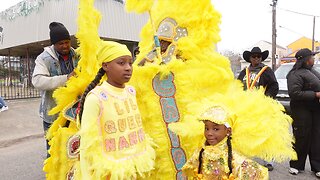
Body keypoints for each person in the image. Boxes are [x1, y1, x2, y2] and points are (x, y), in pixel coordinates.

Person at [76, 41, 155, 179]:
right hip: (110, 172)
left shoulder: (131, 92)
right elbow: (86, 147)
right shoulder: (96, 98)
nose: (128, 68)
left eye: (130, 63)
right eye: (121, 63)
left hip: (136, 169)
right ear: (105, 65)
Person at [182, 106, 268, 179]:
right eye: (207, 128)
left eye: (215, 129)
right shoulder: (200, 152)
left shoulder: (233, 157)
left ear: (228, 131)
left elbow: (252, 171)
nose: (209, 133)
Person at [32, 22, 78, 151]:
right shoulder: (44, 59)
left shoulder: (77, 55)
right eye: (60, 43)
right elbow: (37, 81)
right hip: (53, 114)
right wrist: (66, 78)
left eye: (67, 42)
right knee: (54, 151)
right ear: (54, 44)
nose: (65, 46)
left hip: (74, 112)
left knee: (73, 151)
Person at [237, 47, 279, 171]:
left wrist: (265, 99)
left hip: (261, 107)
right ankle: (244, 158)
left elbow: (274, 86)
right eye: (254, 56)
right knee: (245, 132)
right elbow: (237, 86)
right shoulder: (244, 72)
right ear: (250, 58)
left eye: (258, 57)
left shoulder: (266, 71)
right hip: (246, 107)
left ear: (261, 58)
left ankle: (268, 160)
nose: (256, 59)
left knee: (265, 132)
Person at [287, 48, 320, 178]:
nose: (314, 59)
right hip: (301, 110)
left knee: (316, 137)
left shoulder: (312, 71)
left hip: (315, 109)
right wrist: (315, 94)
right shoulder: (295, 74)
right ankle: (295, 165)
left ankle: (317, 166)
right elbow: (294, 93)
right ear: (306, 60)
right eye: (312, 57)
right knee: (301, 137)